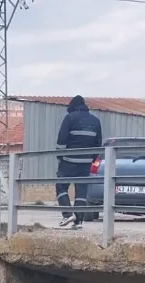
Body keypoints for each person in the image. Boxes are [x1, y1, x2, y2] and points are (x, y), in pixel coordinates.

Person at [55, 95, 102, 229]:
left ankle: (67, 214)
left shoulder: (70, 118)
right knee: (81, 191)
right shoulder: (95, 121)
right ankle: (78, 221)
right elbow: (98, 143)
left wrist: (60, 156)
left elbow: (62, 139)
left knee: (61, 186)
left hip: (69, 160)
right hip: (86, 162)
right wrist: (91, 159)